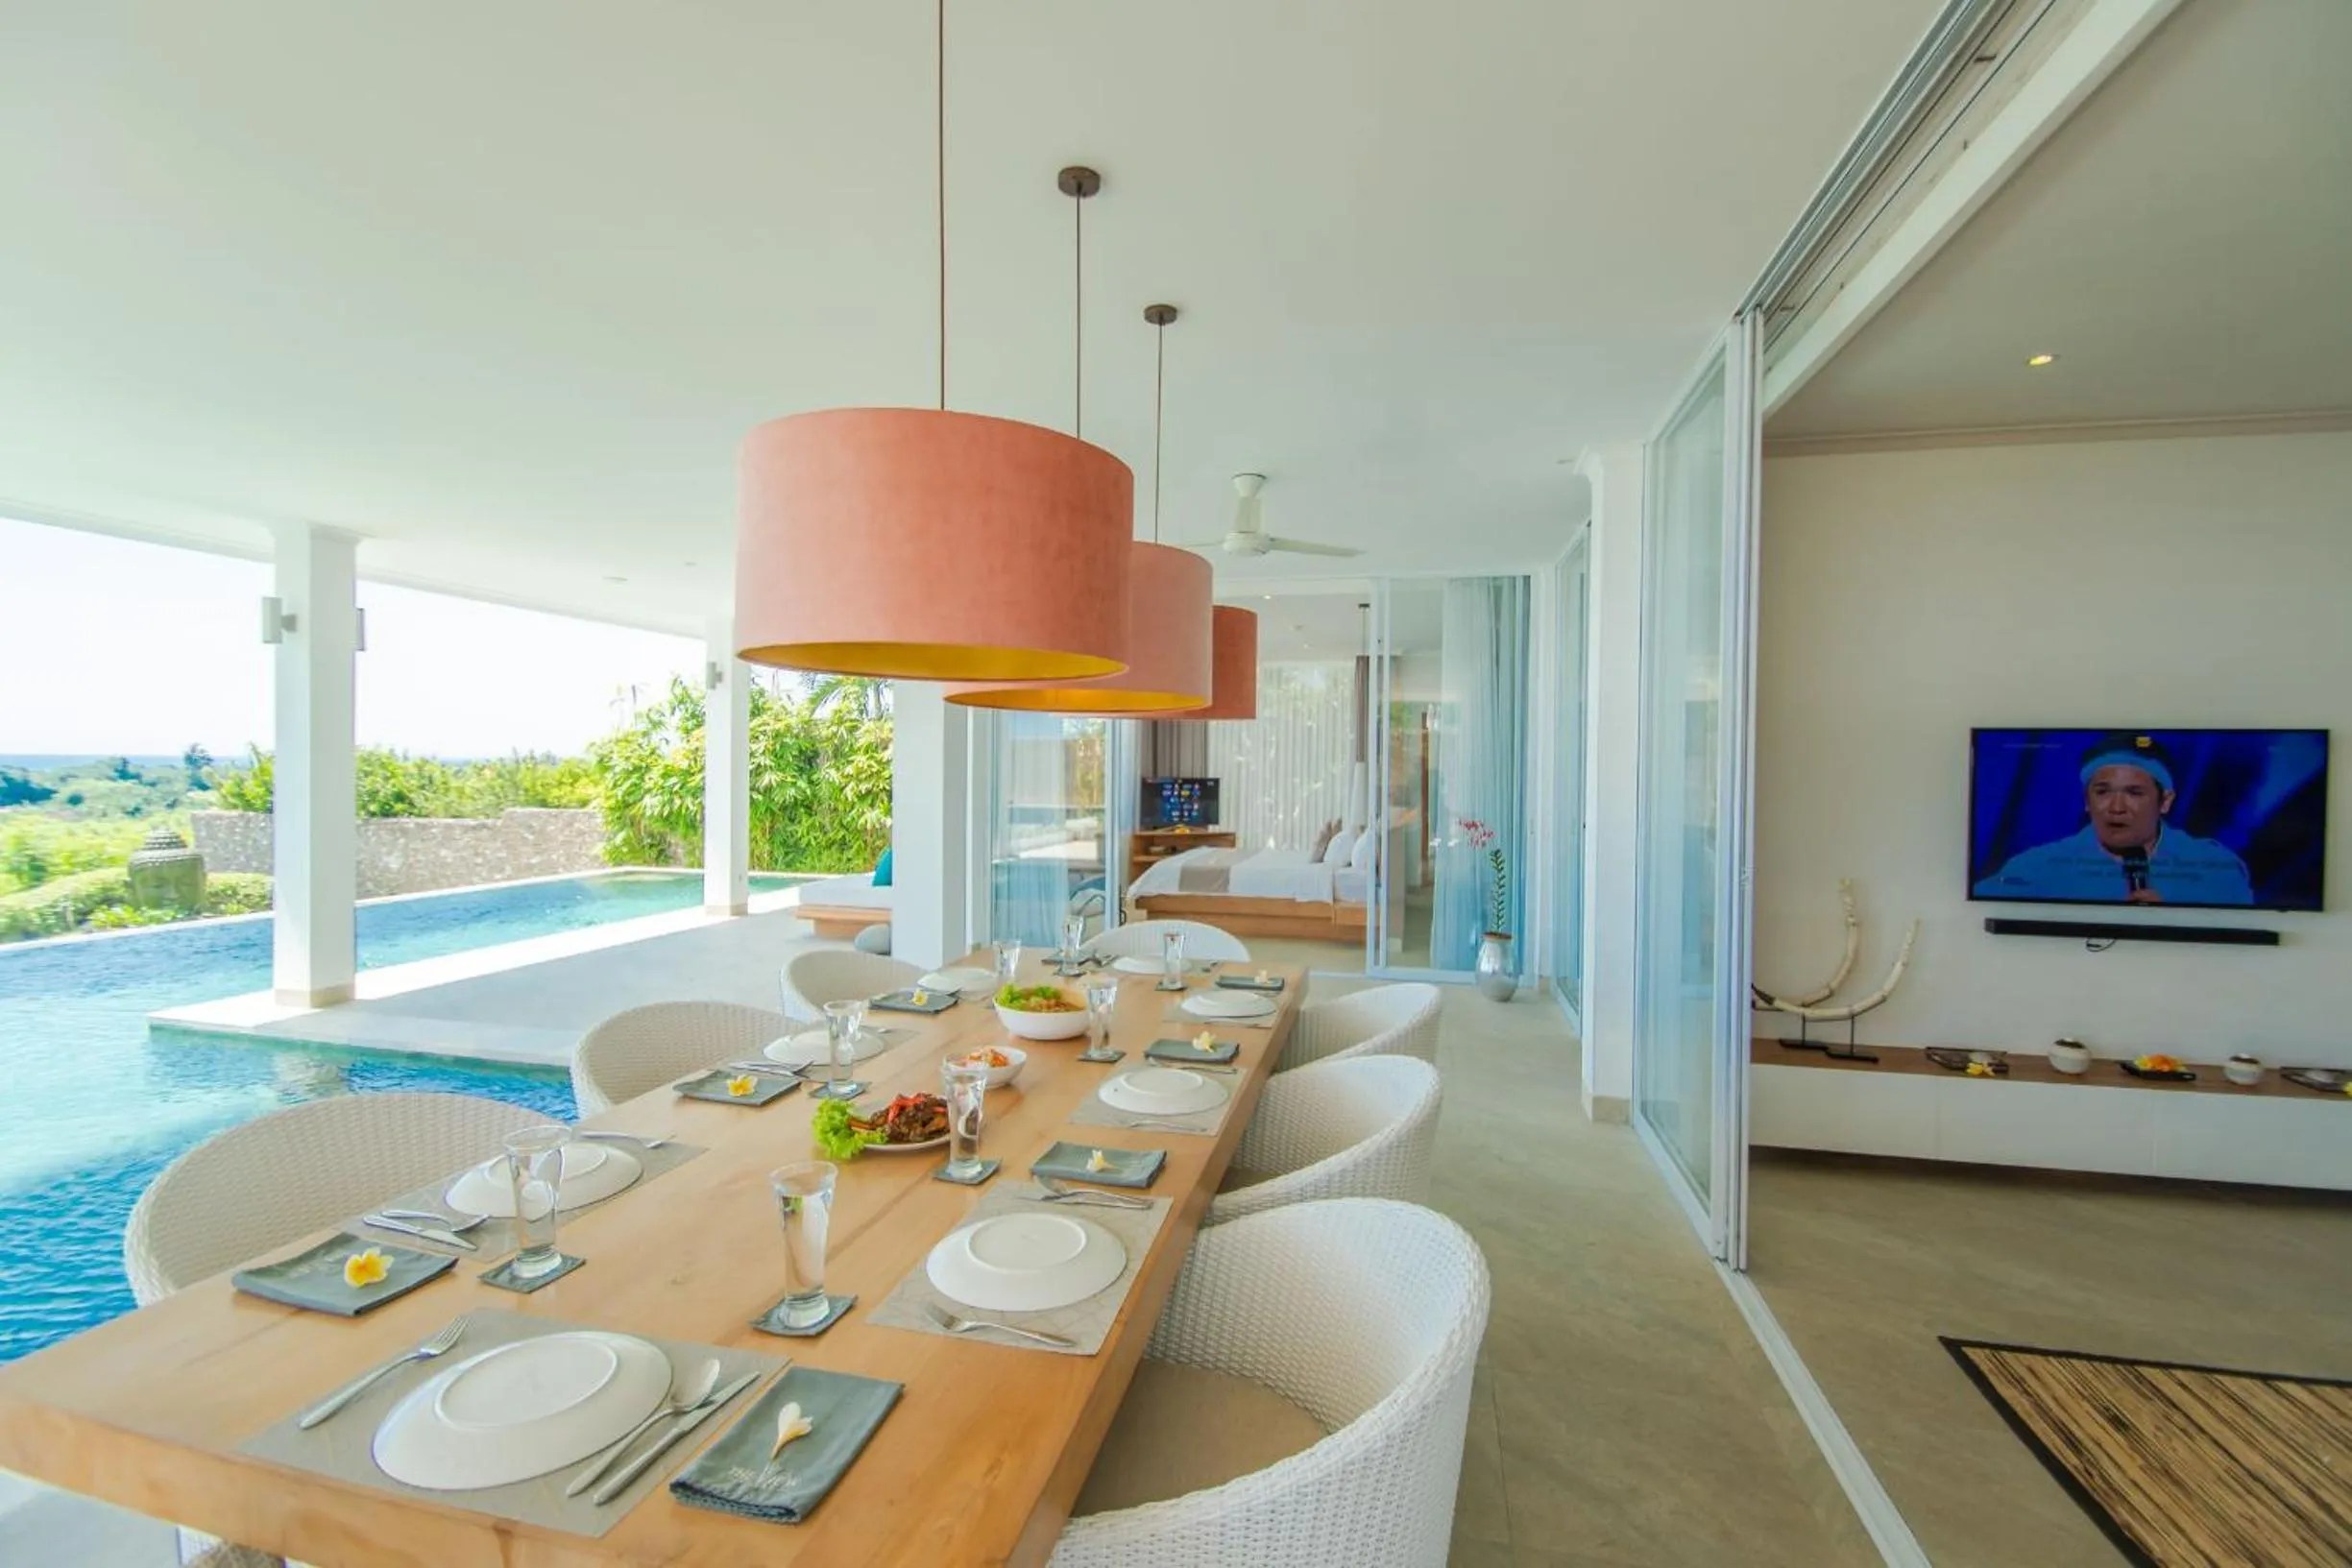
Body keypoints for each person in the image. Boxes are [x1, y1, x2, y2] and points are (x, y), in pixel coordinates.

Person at [1974, 734, 2253, 906]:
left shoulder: (2217, 868)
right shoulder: (2036, 867)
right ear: (2086, 800)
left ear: (2165, 801)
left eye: (2134, 792)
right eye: (2102, 792)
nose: (2116, 807)